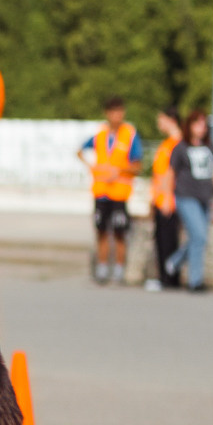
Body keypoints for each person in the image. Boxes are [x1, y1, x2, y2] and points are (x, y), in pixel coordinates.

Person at [79, 96, 140, 285]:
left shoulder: (129, 134)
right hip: (101, 191)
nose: (116, 115)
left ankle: (119, 270)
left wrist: (119, 171)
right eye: (113, 111)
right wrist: (92, 167)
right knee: (102, 232)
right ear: (107, 113)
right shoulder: (101, 135)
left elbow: (137, 165)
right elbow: (80, 150)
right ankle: (103, 268)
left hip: (119, 193)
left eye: (119, 111)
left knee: (120, 232)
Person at [167, 108, 213, 293]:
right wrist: (167, 197)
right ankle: (195, 281)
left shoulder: (209, 147)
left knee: (199, 238)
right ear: (189, 126)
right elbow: (170, 174)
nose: (201, 128)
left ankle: (174, 261)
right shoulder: (181, 147)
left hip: (204, 197)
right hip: (186, 196)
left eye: (203, 124)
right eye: (197, 124)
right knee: (199, 236)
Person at [146, 107, 183, 292]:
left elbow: (173, 175)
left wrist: (168, 197)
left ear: (171, 119)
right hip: (161, 199)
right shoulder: (167, 143)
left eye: (161, 118)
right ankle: (164, 277)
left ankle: (169, 279)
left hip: (169, 200)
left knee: (168, 240)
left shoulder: (177, 144)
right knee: (161, 238)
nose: (158, 123)